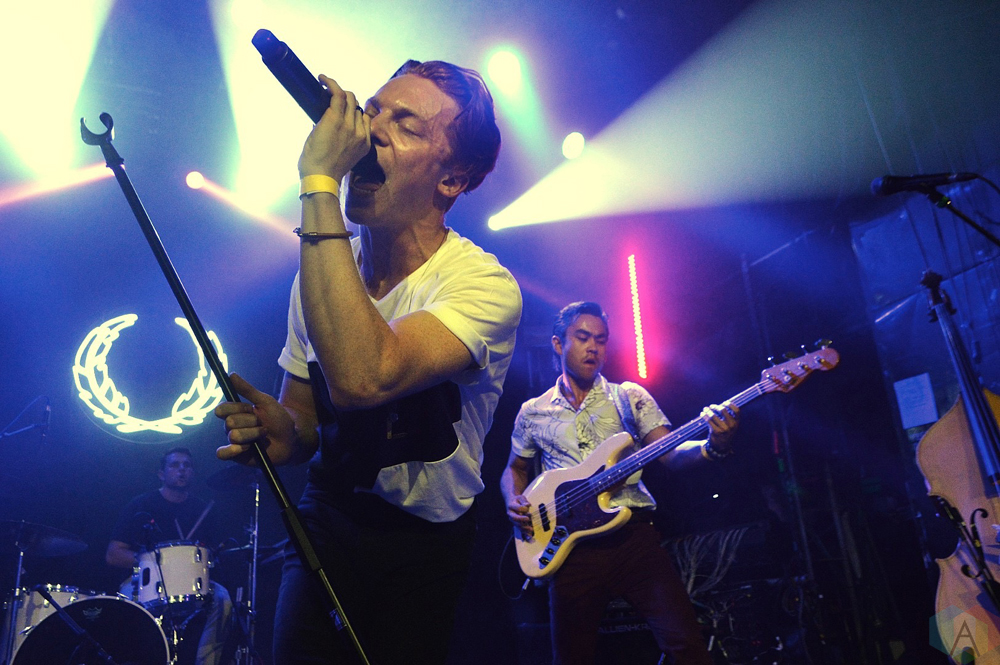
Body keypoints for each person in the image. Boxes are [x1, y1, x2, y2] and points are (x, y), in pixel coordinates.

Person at [214, 59, 521, 664]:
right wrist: (285, 432)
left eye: (405, 124)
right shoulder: (321, 272)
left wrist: (318, 182)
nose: (370, 129)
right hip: (328, 515)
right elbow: (305, 420)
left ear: (452, 179)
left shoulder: (483, 286)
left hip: (425, 545)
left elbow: (364, 377)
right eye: (373, 110)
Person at [500, 301, 740, 665]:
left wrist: (713, 444)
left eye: (601, 340)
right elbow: (515, 468)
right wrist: (513, 498)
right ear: (558, 343)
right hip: (571, 551)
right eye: (583, 337)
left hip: (633, 540)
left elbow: (671, 454)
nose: (593, 347)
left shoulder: (629, 396)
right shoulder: (533, 411)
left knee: (687, 646)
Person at [107, 447, 233, 665]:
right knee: (126, 600)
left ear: (192, 473)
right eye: (175, 465)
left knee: (223, 598)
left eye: (187, 465)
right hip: (144, 582)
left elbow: (211, 555)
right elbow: (113, 554)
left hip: (192, 583)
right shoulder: (141, 505)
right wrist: (154, 563)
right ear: (161, 474)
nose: (182, 469)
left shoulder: (202, 509)